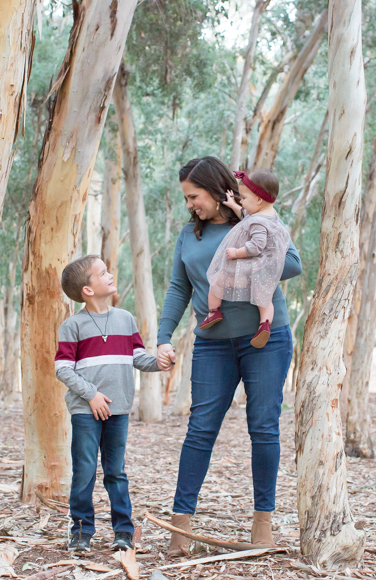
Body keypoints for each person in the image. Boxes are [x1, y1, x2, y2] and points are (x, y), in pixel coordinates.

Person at [155, 156, 302, 556]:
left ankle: (263, 524)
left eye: (194, 196)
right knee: (200, 429)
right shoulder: (190, 235)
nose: (190, 204)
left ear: (217, 191)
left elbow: (292, 264)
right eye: (186, 198)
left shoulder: (256, 221)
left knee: (264, 427)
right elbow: (177, 288)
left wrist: (242, 223)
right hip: (212, 342)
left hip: (265, 340)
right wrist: (163, 336)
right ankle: (180, 527)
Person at [54, 255, 163, 553]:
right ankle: (80, 532)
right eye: (102, 273)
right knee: (85, 471)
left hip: (119, 409)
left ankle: (123, 532)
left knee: (116, 471)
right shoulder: (72, 325)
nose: (110, 274)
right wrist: (91, 395)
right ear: (88, 290)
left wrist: (160, 362)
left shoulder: (125, 319)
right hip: (85, 410)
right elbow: (62, 368)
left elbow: (137, 357)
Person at [200, 169, 292, 349]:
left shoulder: (258, 222)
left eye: (244, 198)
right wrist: (234, 205)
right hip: (264, 269)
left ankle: (213, 312)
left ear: (258, 199)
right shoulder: (269, 216)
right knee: (264, 299)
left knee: (218, 280)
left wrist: (236, 252)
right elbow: (246, 214)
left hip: (250, 264)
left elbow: (256, 246)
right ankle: (264, 324)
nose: (241, 201)